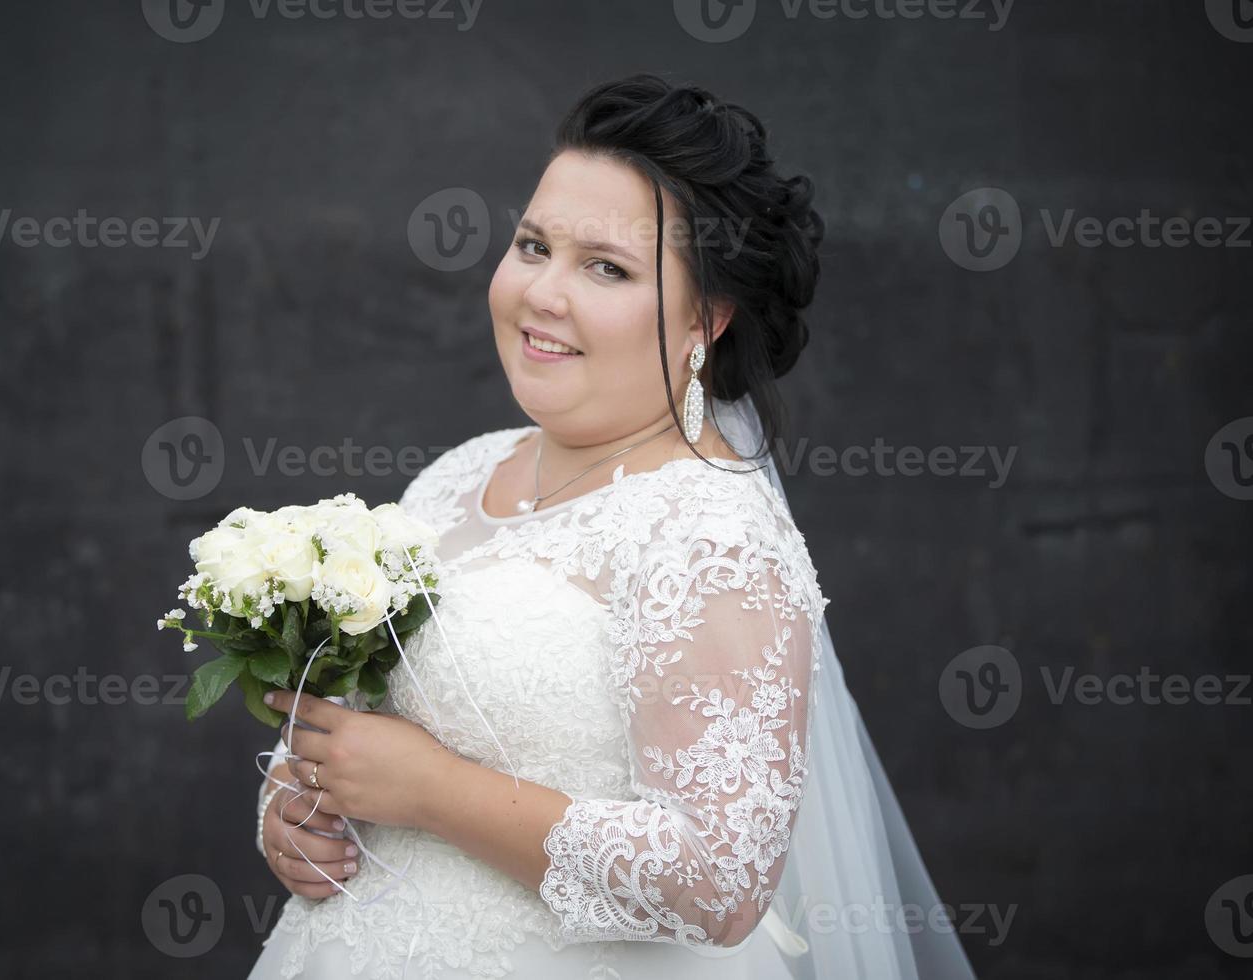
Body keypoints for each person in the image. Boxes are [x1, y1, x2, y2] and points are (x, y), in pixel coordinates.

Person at [247, 73, 976, 980]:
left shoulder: (712, 536)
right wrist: (303, 803)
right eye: (533, 244)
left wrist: (430, 792)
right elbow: (373, 728)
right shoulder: (461, 473)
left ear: (706, 320)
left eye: (607, 267)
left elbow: (721, 883)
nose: (543, 294)